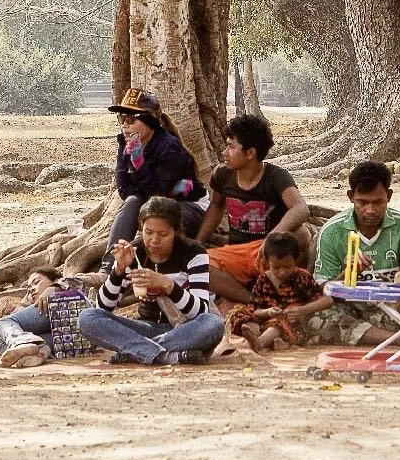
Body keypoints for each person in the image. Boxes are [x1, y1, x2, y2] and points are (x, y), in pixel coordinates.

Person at [80, 197, 225, 366]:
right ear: (141, 229)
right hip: (147, 328)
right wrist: (118, 270)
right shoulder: (135, 253)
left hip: (187, 330)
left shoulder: (194, 253)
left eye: (163, 234)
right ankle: (166, 356)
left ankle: (137, 352)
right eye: (148, 232)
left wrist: (167, 285)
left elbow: (199, 312)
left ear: (176, 231)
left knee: (213, 323)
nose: (154, 240)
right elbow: (103, 307)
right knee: (88, 317)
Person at [308, 161, 400, 346]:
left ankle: (369, 335)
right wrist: (348, 273)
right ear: (351, 197)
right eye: (362, 202)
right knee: (314, 317)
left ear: (388, 196)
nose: (370, 210)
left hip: (394, 308)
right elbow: (322, 290)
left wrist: (395, 285)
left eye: (378, 202)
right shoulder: (332, 231)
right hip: (350, 307)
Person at [198, 114, 311, 303]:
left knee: (301, 233)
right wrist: (197, 242)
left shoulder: (276, 176)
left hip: (270, 255)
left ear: (250, 153)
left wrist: (271, 239)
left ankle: (289, 292)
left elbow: (301, 209)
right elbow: (217, 206)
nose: (225, 152)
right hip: (237, 253)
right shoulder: (223, 174)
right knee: (197, 265)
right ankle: (254, 301)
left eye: (231, 147)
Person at [107, 87, 207, 249]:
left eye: (131, 118)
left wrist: (139, 163)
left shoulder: (169, 148)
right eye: (122, 118)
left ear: (150, 121)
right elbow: (124, 189)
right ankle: (108, 268)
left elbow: (159, 195)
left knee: (158, 217)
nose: (124, 124)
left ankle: (130, 253)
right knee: (132, 201)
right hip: (153, 205)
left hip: (188, 207)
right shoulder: (126, 143)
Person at [224, 232, 326, 351]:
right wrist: (268, 311)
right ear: (267, 263)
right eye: (276, 268)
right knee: (239, 313)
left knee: (281, 323)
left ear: (296, 261)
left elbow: (326, 300)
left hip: (291, 324)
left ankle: (261, 342)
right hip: (266, 321)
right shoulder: (263, 280)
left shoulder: (303, 278)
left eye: (287, 267)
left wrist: (303, 310)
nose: (282, 272)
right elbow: (255, 310)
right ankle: (263, 337)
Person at [0, 267, 61, 369]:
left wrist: (55, 287)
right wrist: (24, 304)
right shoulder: (30, 307)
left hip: (57, 308)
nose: (31, 289)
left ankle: (22, 341)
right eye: (28, 289)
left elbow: (80, 278)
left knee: (3, 323)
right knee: (0, 344)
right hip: (63, 336)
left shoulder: (62, 286)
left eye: (36, 282)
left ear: (54, 280)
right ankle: (41, 351)